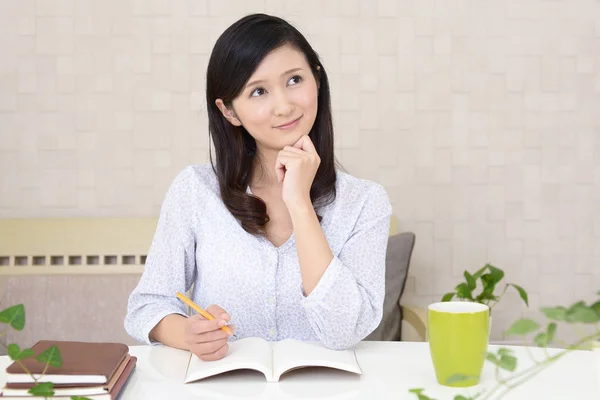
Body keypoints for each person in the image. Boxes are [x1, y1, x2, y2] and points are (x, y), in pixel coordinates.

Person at [124, 13, 392, 361]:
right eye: (259, 91)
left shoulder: (365, 202)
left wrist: (299, 203)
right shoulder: (195, 190)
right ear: (229, 111)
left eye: (295, 79)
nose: (284, 105)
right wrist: (187, 334)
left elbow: (345, 331)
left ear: (318, 79)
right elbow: (147, 306)